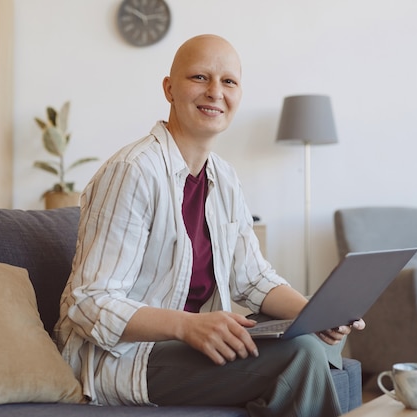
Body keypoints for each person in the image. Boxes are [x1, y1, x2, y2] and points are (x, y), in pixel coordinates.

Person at [54, 34, 365, 417]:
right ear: (169, 89)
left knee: (306, 337)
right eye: (199, 77)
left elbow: (251, 279)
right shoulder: (133, 171)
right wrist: (186, 327)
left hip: (178, 348)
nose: (215, 92)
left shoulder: (225, 178)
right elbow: (89, 302)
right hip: (121, 360)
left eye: (228, 81)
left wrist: (314, 314)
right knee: (298, 354)